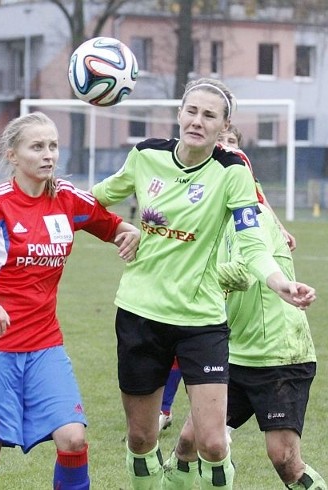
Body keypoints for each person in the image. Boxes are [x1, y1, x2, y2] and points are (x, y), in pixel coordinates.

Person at [90, 78, 316, 489]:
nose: (197, 121)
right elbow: (93, 200)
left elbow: (251, 241)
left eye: (209, 115)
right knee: (142, 438)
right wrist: (121, 227)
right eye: (192, 111)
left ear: (223, 126)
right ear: (179, 114)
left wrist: (279, 281)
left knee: (212, 444)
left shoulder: (232, 172)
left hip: (201, 320)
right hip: (141, 313)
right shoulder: (145, 157)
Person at [0, 111, 140, 489]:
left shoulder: (66, 198)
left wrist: (127, 229)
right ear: (13, 156)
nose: (48, 154)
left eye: (53, 146)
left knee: (73, 438)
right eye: (37, 147)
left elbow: (109, 223)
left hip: (44, 346)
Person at [163, 199, 326, 490]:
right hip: (234, 353)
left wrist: (183, 274)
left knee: (285, 459)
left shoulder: (254, 215)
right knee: (189, 441)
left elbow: (243, 273)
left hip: (280, 354)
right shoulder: (206, 216)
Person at [217, 124, 296, 251]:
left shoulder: (242, 167)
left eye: (231, 141)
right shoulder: (205, 166)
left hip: (238, 227)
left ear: (238, 146)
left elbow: (261, 200)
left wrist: (280, 228)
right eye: (220, 139)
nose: (225, 144)